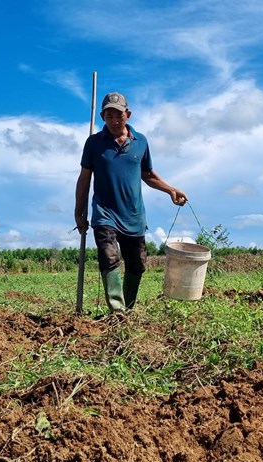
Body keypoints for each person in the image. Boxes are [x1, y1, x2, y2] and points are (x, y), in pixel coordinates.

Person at [75, 92, 187, 313]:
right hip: (104, 213)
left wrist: (171, 190)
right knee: (109, 256)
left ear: (128, 114)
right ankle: (117, 312)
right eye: (109, 116)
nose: (115, 121)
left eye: (119, 115)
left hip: (133, 215)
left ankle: (127, 309)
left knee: (137, 264)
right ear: (102, 117)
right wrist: (79, 212)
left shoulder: (141, 142)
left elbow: (148, 175)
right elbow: (84, 179)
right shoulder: (94, 144)